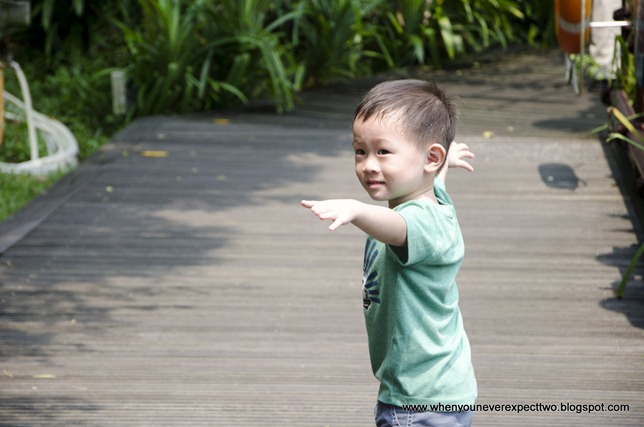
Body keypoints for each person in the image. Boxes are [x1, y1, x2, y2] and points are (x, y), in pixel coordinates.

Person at [301, 79, 477, 427]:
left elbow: (399, 228)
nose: (368, 164)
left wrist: (356, 210)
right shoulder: (430, 192)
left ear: (429, 157)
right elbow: (433, 177)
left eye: (383, 152)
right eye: (360, 151)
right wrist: (444, 165)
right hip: (435, 389)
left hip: (418, 399)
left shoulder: (422, 222)